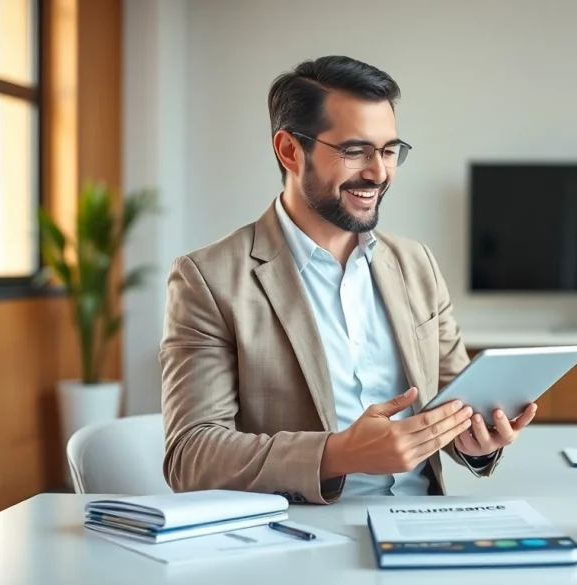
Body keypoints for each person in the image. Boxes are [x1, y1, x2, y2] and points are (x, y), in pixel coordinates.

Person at [159, 56, 537, 504]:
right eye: (355, 151)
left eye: (389, 151)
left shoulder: (416, 264)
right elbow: (190, 456)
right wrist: (338, 453)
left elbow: (456, 403)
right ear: (290, 150)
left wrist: (475, 440)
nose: (378, 173)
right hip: (302, 528)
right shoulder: (208, 278)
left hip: (424, 520)